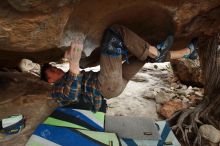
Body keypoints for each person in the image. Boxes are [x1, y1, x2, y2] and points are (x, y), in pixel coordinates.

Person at [41, 24, 198, 112]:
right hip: (106, 86)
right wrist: (73, 66)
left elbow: (87, 63)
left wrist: (77, 62)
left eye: (55, 68)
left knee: (144, 55)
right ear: (50, 80)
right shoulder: (56, 90)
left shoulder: (68, 76)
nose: (58, 70)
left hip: (114, 83)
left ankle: (187, 52)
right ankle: (157, 52)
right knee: (115, 32)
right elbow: (71, 94)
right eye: (53, 72)